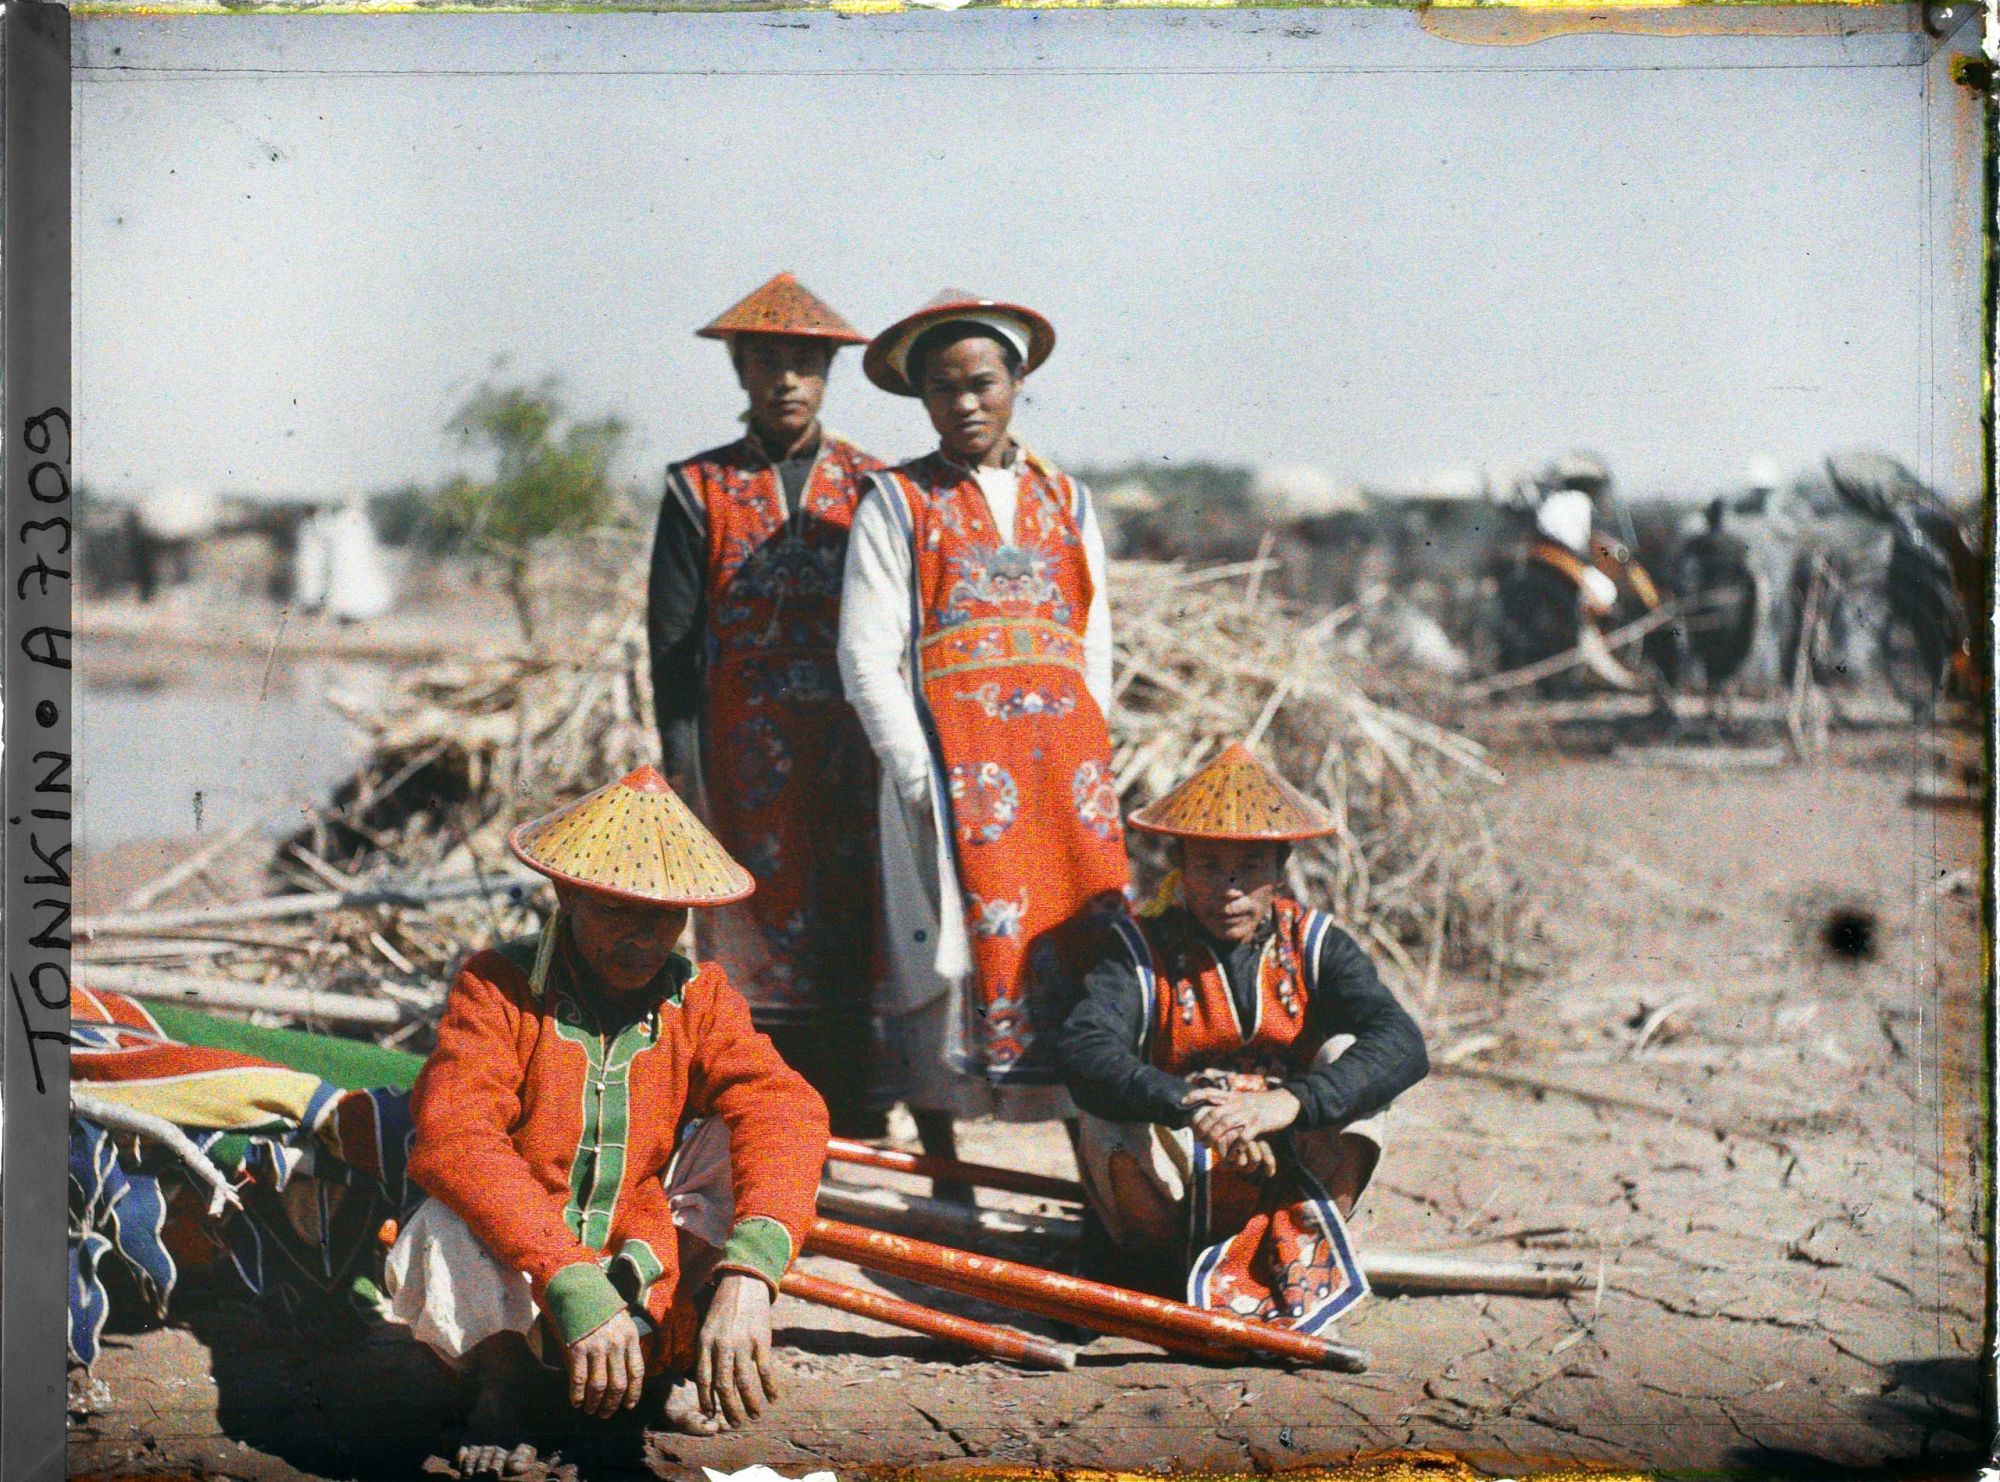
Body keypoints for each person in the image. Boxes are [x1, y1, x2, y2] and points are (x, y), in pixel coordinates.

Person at [384, 765, 831, 1474]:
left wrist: (753, 1273)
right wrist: (567, 1274)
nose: (645, 938)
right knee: (446, 1212)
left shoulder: (699, 996)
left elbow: (785, 1106)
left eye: (665, 914)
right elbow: (455, 1134)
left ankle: (666, 1357)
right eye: (619, 910)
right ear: (567, 894)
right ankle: (506, 1387)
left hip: (635, 1233)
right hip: (524, 1248)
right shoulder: (497, 986)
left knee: (743, 1137)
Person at [838, 289, 1127, 1193]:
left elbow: (1095, 643)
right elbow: (865, 650)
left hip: (1061, 784)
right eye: (942, 389)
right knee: (938, 962)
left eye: (982, 383)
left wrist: (1089, 753)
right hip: (946, 774)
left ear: (1017, 382)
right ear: (921, 399)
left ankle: (1100, 1175)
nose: (964, 403)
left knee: (1081, 952)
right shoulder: (896, 500)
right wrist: (917, 773)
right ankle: (947, 1175)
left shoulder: (1067, 498)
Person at [1055, 743, 1428, 1333]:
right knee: (1097, 1106)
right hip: (1180, 1160)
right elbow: (1084, 1049)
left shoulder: (1317, 942)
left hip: (1289, 1160)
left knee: (1350, 1059)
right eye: (1207, 866)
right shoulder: (1136, 949)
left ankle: (1305, 1242)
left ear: (1279, 868)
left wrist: (1286, 1105)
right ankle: (1160, 1267)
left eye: (1248, 869)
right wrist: (1192, 1105)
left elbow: (1403, 1043)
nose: (1228, 889)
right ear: (1180, 864)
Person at [648, 272, 890, 1140]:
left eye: (804, 363)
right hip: (740, 750)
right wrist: (685, 774)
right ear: (742, 373)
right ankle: (756, 1116)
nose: (786, 380)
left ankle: (858, 1114)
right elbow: (673, 649)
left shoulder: (875, 486)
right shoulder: (697, 488)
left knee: (854, 919)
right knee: (745, 925)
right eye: (768, 363)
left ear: (830, 373)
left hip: (851, 748)